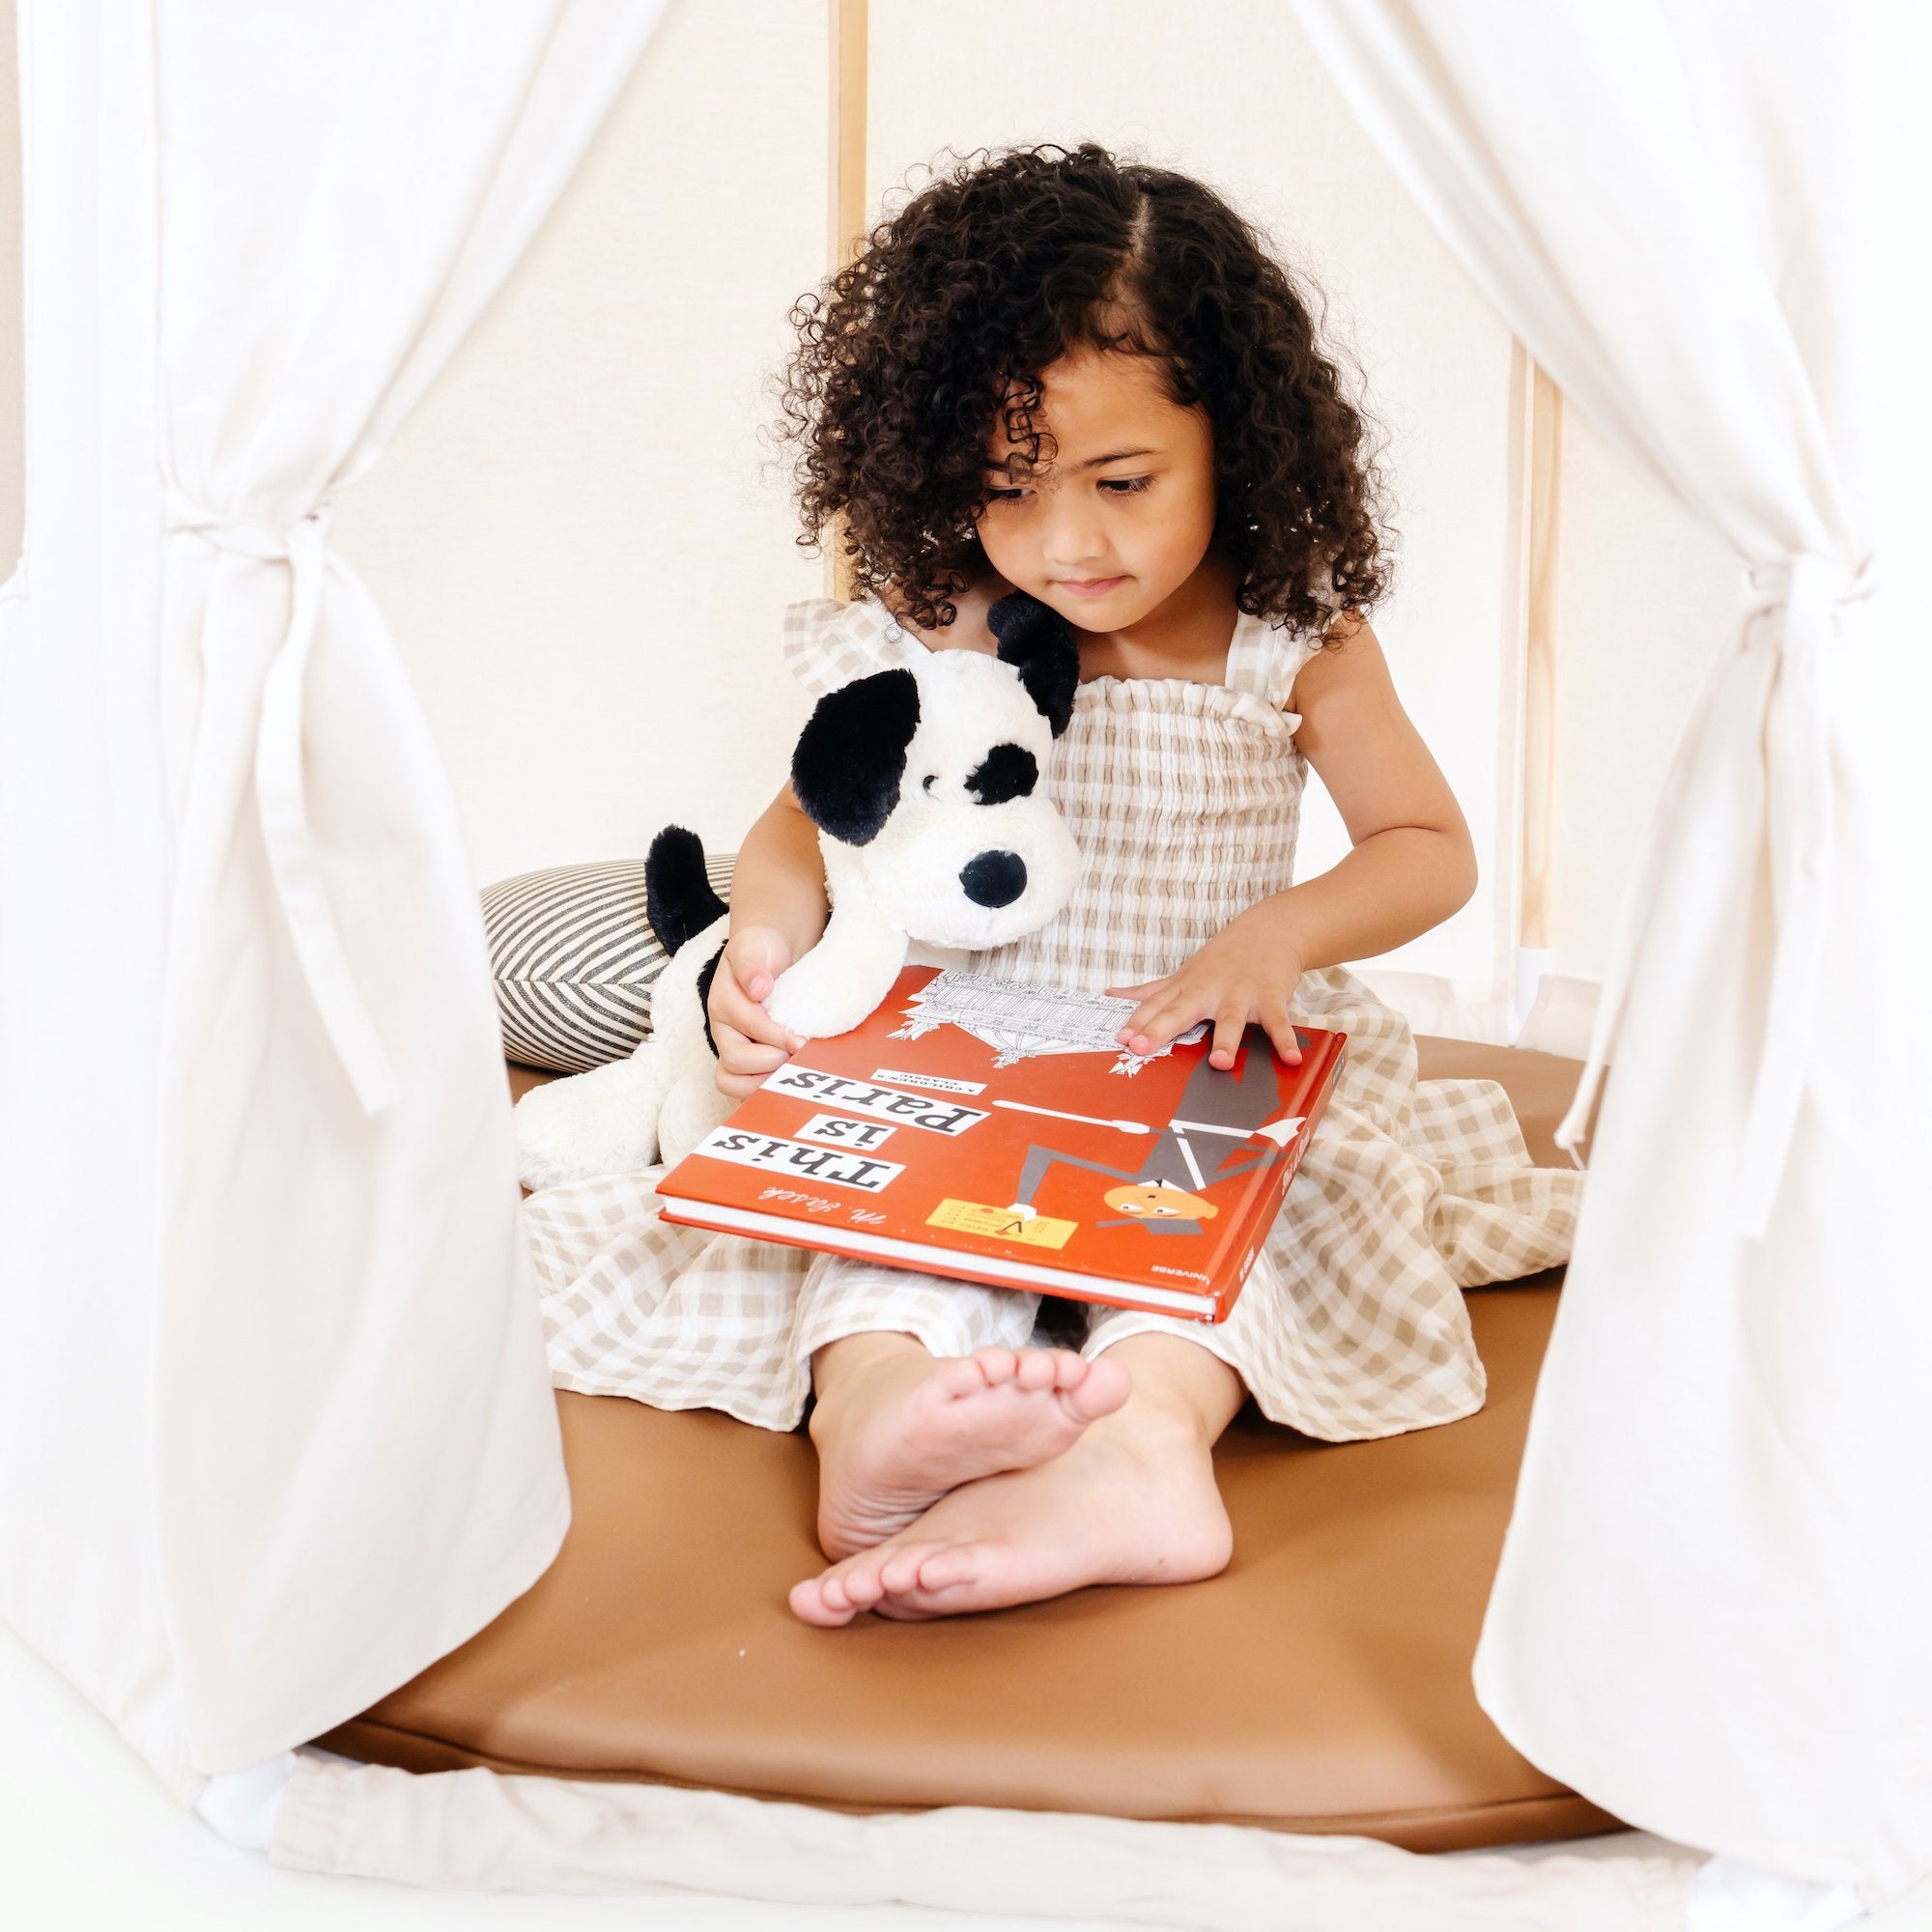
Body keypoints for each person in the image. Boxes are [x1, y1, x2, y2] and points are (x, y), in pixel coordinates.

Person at [523, 141, 1579, 1627]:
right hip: (968, 1041)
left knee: (1226, 1245)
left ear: (1241, 442)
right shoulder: (950, 621)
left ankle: (1144, 1448)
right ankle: (883, 1410)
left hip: (1197, 1050)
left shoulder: (1292, 635)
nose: (1069, 541)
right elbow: (796, 828)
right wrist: (761, 946)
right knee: (863, 1239)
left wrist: (1277, 937)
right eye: (1009, 488)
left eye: (1125, 481)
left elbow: (1429, 848)